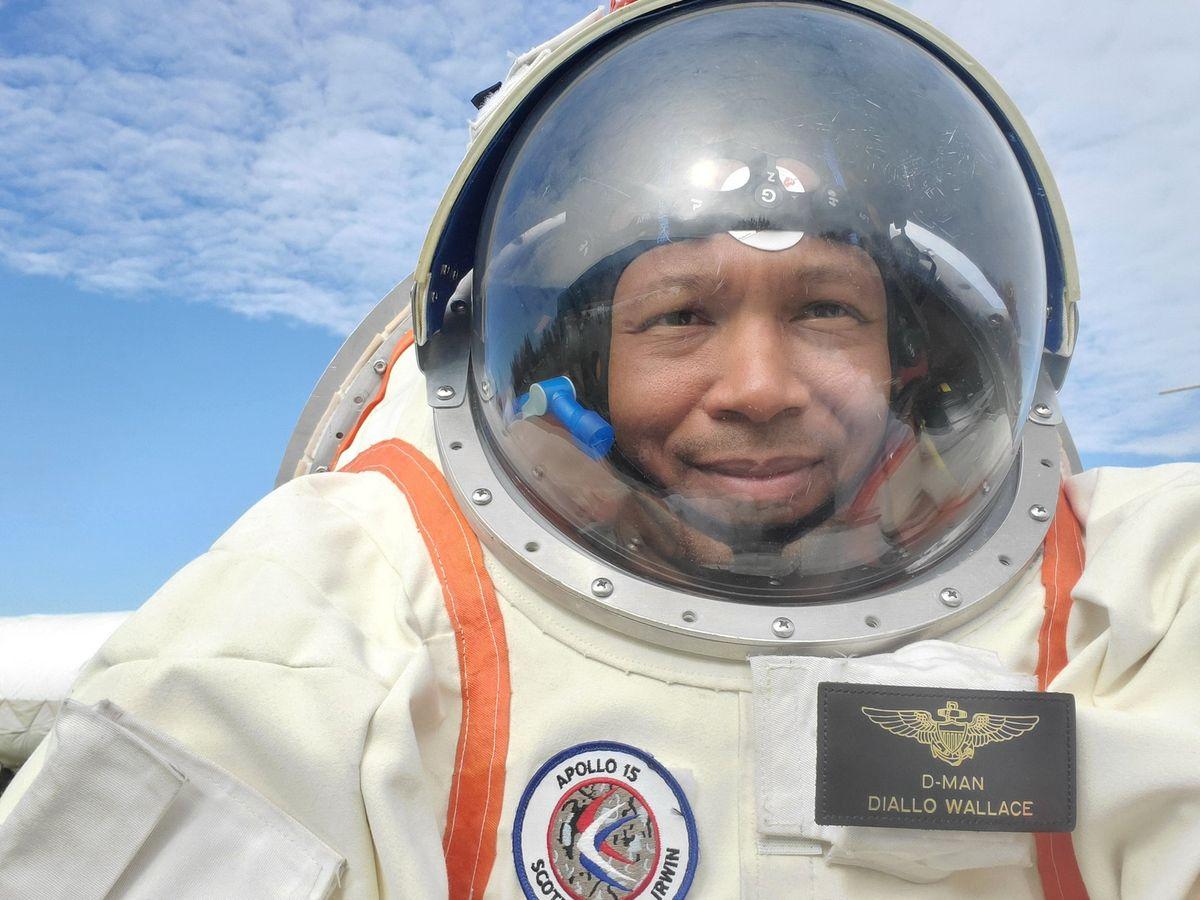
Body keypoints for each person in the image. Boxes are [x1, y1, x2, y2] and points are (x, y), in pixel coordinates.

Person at [2, 1, 1199, 898]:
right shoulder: (355, 599)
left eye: (827, 308)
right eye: (680, 315)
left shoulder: (1122, 595)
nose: (760, 388)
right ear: (582, 362)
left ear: (909, 354)